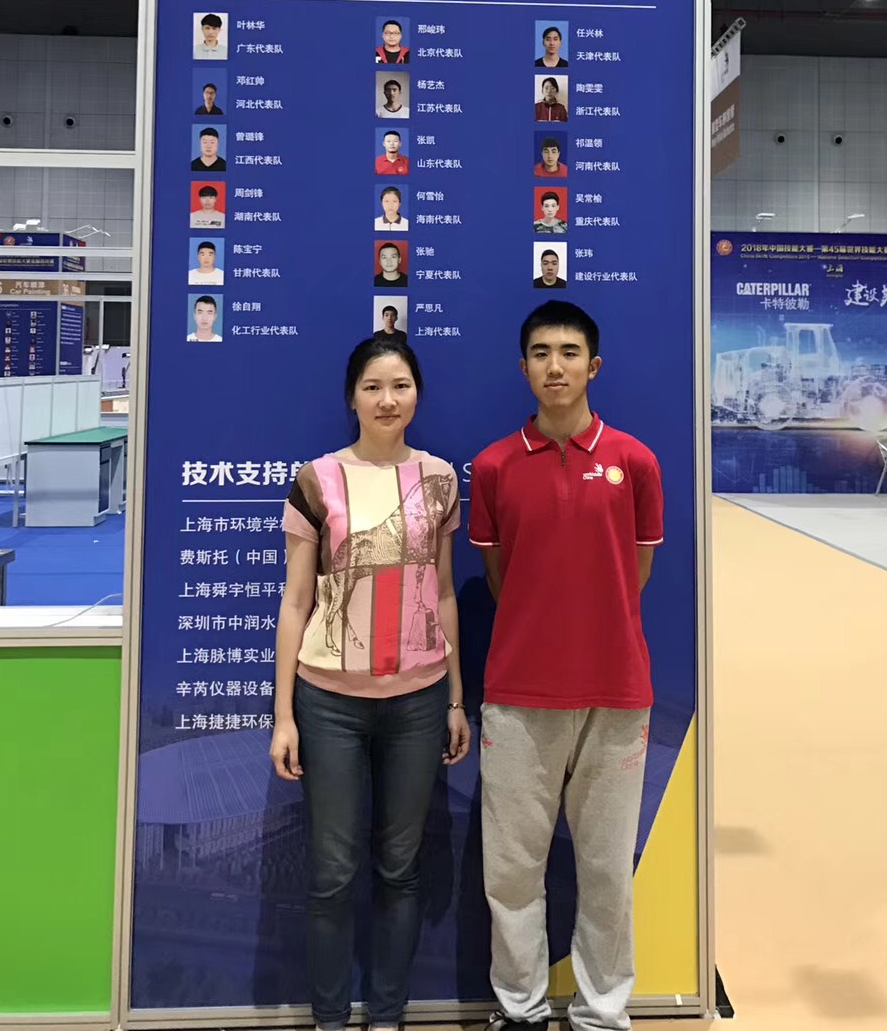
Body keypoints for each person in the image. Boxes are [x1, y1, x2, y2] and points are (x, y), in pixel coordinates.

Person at [469, 302, 663, 1031]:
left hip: (617, 693)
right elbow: (499, 576)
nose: (556, 366)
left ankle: (602, 1013)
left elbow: (636, 573)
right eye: (542, 353)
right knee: (511, 872)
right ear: (523, 367)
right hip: (518, 695)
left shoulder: (636, 462)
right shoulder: (494, 467)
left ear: (594, 366)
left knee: (608, 871)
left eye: (570, 352)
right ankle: (519, 1010)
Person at [270, 338, 469, 1031]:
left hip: (418, 701)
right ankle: (330, 1018)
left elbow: (444, 592)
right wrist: (284, 715)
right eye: (373, 387)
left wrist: (455, 698)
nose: (388, 400)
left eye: (401, 386)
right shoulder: (317, 480)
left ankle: (387, 1014)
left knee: (400, 868)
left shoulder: (439, 479)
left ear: (418, 394)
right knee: (332, 872)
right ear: (351, 397)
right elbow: (296, 602)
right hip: (329, 704)